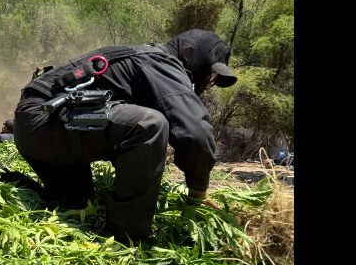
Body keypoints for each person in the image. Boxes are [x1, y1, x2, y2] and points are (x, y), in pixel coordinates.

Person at [13, 29, 238, 242]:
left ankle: (12, 181)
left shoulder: (145, 59)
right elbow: (196, 133)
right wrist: (196, 194)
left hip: (39, 128)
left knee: (78, 207)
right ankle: (126, 238)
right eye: (210, 76)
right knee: (149, 125)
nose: (209, 84)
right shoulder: (162, 63)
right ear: (194, 55)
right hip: (45, 122)